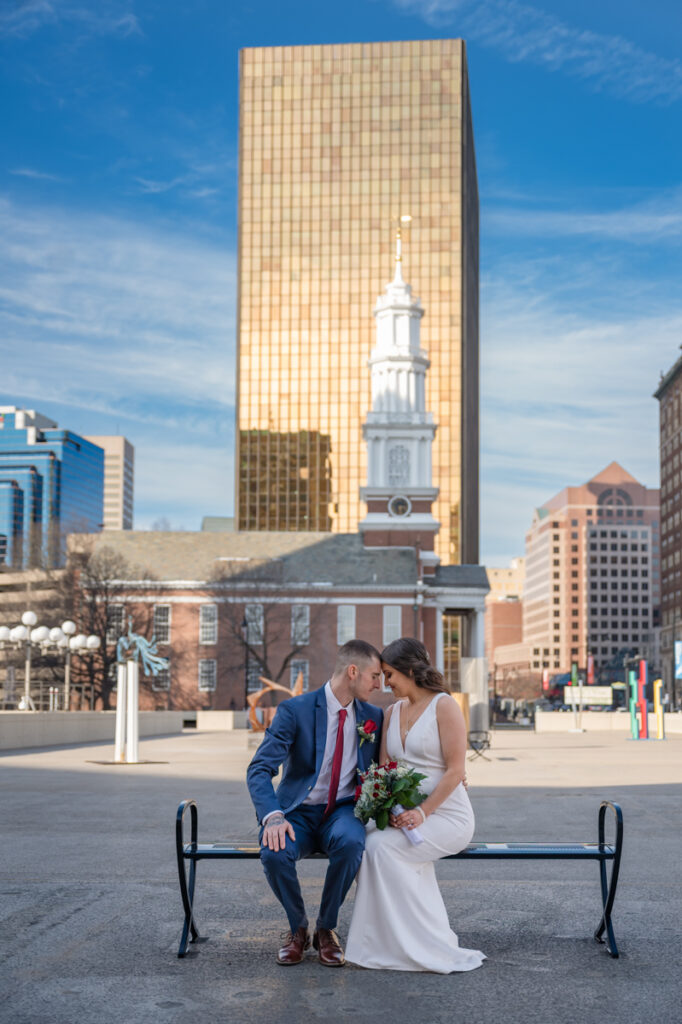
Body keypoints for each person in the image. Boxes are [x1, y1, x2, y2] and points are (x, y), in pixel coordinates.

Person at [345, 637, 486, 973]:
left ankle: (421, 943)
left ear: (410, 670)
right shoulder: (391, 712)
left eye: (390, 675)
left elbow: (455, 772)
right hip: (404, 815)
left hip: (446, 816)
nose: (385, 683)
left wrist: (422, 812)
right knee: (367, 844)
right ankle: (387, 943)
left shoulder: (444, 706)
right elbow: (383, 772)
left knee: (383, 850)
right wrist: (390, 810)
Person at [246, 639, 383, 967]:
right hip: (299, 812)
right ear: (353, 672)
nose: (379, 684)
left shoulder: (374, 717)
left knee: (352, 842)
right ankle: (298, 928)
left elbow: (397, 761)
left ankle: (326, 929)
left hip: (343, 810)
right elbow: (260, 769)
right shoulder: (296, 710)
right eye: (374, 676)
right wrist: (273, 817)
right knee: (274, 852)